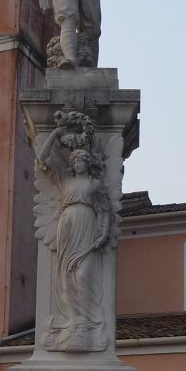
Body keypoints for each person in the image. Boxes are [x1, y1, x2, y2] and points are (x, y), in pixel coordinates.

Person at [36, 126, 112, 350]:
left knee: (83, 274)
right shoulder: (65, 181)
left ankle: (87, 322)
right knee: (66, 276)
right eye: (75, 160)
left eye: (80, 160)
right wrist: (55, 133)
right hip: (67, 226)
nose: (76, 163)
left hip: (87, 224)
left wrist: (104, 233)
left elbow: (105, 210)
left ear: (88, 163)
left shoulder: (95, 185)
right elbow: (43, 157)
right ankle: (71, 322)